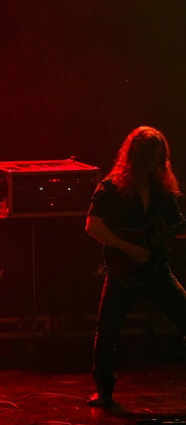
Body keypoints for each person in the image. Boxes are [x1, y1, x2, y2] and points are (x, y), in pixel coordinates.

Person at [85, 126, 186, 407]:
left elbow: (176, 226)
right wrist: (130, 249)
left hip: (157, 270)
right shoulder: (111, 188)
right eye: (152, 157)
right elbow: (92, 226)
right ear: (137, 157)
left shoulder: (162, 191)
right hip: (123, 274)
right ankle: (103, 390)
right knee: (107, 334)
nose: (157, 163)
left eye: (160, 157)